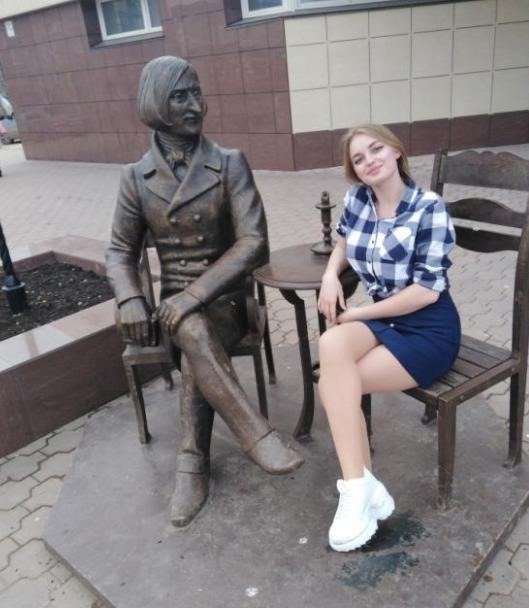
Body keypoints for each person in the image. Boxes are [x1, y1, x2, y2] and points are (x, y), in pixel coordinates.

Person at [106, 56, 303, 528]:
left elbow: (254, 243)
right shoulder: (135, 177)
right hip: (170, 309)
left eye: (197, 93)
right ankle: (254, 435)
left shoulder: (230, 163)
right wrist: (130, 298)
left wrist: (193, 296)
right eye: (180, 96)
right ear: (156, 103)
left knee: (194, 330)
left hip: (227, 300)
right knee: (189, 329)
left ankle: (193, 464)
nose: (195, 105)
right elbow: (119, 251)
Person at [317, 124, 461, 552]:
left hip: (428, 328)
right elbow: (342, 244)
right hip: (386, 318)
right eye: (358, 159)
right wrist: (330, 276)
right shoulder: (357, 200)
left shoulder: (429, 208)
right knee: (332, 347)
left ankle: (358, 490)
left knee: (335, 384)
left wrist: (358, 313)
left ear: (396, 151)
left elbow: (426, 291)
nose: (369, 161)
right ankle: (361, 487)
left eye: (375, 149)